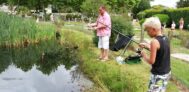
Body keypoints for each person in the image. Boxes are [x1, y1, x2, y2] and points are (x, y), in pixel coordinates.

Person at [139, 17, 171, 92]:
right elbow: (160, 50)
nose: (147, 33)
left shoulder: (154, 42)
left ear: (153, 29)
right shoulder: (165, 38)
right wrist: (147, 45)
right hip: (166, 73)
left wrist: (144, 55)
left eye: (148, 30)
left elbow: (151, 61)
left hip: (158, 75)